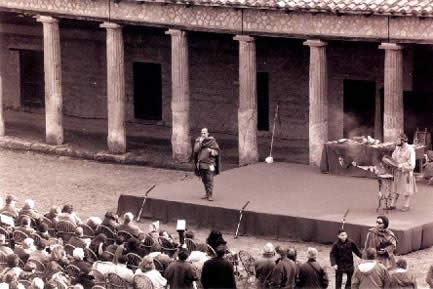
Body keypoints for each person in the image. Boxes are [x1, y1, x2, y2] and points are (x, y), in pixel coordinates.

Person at [390, 133, 417, 212]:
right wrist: (390, 163)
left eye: (397, 139)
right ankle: (393, 204)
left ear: (403, 140)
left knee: (406, 190)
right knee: (395, 188)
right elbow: (393, 158)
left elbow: (412, 164)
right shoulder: (397, 148)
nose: (396, 141)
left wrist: (400, 165)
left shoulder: (410, 149)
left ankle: (406, 205)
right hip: (397, 172)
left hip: (406, 172)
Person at [193, 128, 221, 201]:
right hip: (201, 164)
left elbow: (217, 152)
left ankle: (210, 195)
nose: (203, 134)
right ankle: (206, 193)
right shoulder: (198, 141)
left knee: (210, 180)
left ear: (208, 133)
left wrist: (211, 150)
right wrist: (200, 143)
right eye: (202, 133)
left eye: (205, 133)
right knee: (204, 180)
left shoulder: (212, 141)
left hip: (210, 164)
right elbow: (196, 150)